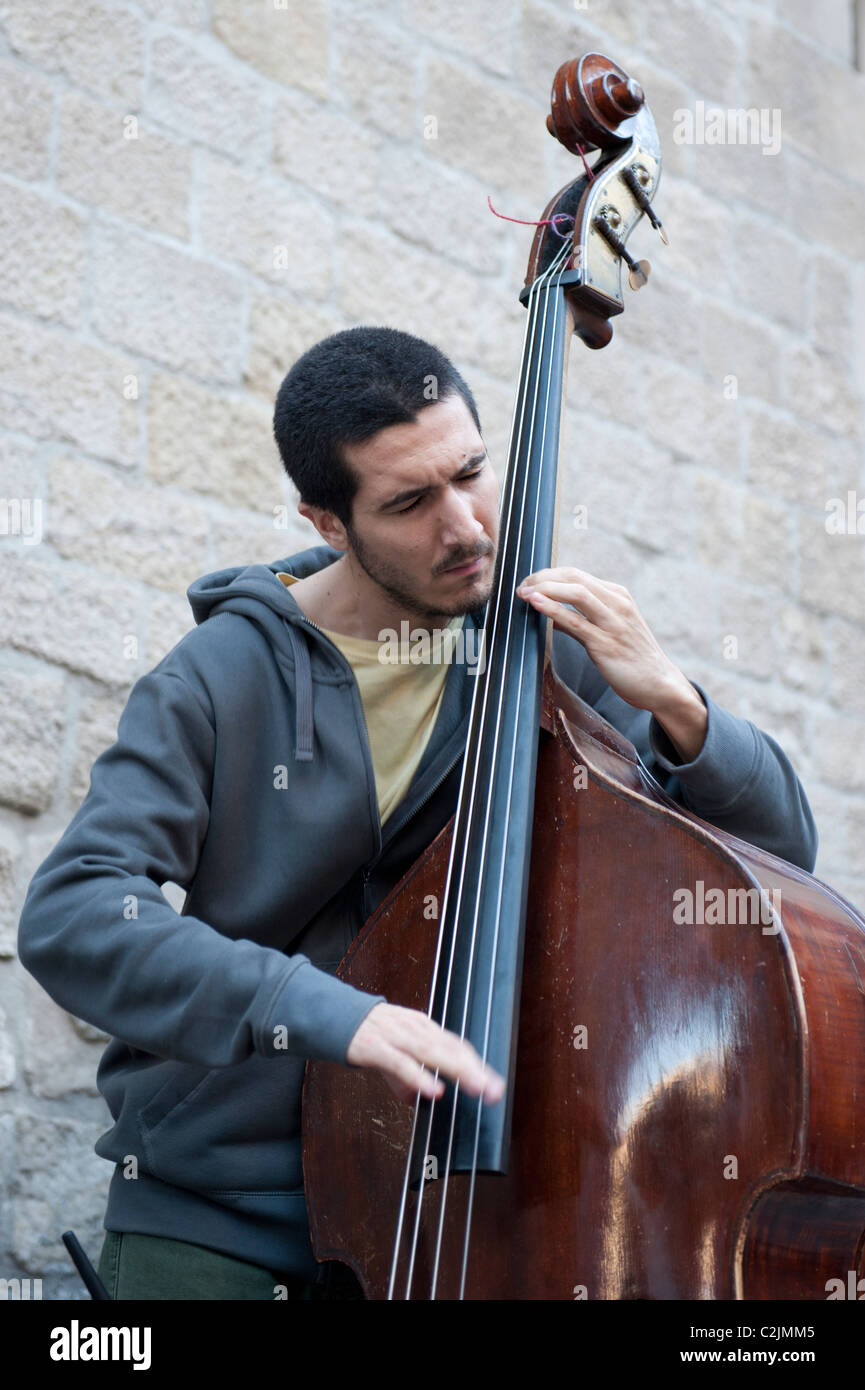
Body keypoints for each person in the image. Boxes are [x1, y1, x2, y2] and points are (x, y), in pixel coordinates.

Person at [16, 326, 818, 1300]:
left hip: (462, 1218)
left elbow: (769, 866)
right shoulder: (218, 676)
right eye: (410, 502)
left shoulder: (543, 656)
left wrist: (681, 708)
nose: (469, 526)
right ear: (328, 522)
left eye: (471, 472)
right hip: (219, 1217)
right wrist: (326, 1015)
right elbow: (76, 914)